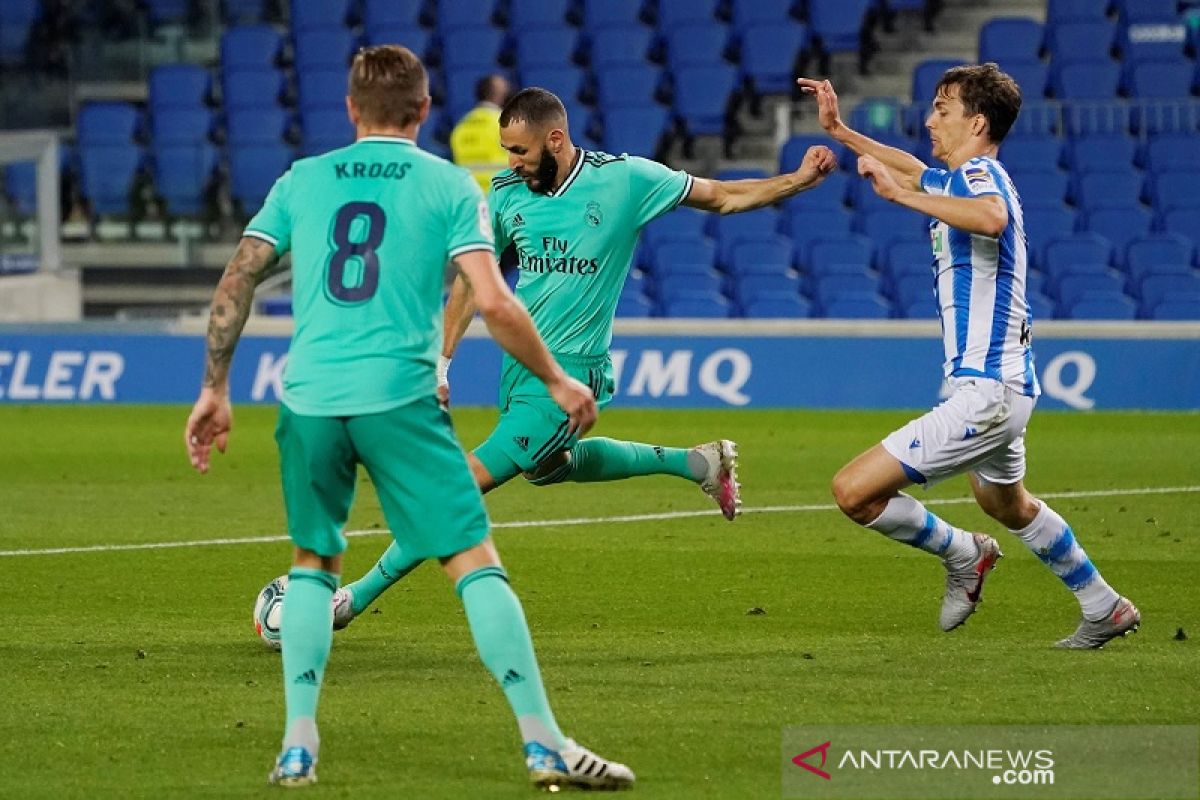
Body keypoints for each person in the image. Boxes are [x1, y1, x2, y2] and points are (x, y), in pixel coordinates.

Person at [184, 46, 635, 790]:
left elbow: (238, 279)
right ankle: (543, 742)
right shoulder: (450, 185)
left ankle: (298, 744)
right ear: (424, 111)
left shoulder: (304, 179)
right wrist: (556, 377)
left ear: (351, 109)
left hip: (310, 397)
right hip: (399, 397)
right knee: (473, 561)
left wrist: (213, 387)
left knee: (312, 562)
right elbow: (493, 300)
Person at [332, 87, 838, 629]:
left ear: (555, 139)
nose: (511, 162)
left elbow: (720, 196)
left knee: (455, 486)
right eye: (507, 150)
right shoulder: (506, 194)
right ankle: (698, 463)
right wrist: (440, 364)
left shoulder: (624, 180)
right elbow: (470, 283)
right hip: (520, 369)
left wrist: (798, 180)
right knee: (546, 471)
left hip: (571, 378)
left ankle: (348, 600)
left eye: (520, 151)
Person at [798, 65, 1140, 649]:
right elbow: (915, 169)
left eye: (942, 109)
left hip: (987, 390)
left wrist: (900, 195)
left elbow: (990, 218)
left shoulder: (981, 176)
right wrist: (842, 131)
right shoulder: (959, 178)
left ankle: (965, 554)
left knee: (853, 492)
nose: (929, 119)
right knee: (1005, 502)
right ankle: (1104, 606)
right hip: (1006, 386)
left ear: (976, 122)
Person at [450, 74, 512, 193]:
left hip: (469, 195)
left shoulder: (461, 126)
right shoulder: (506, 124)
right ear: (500, 95)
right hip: (499, 196)